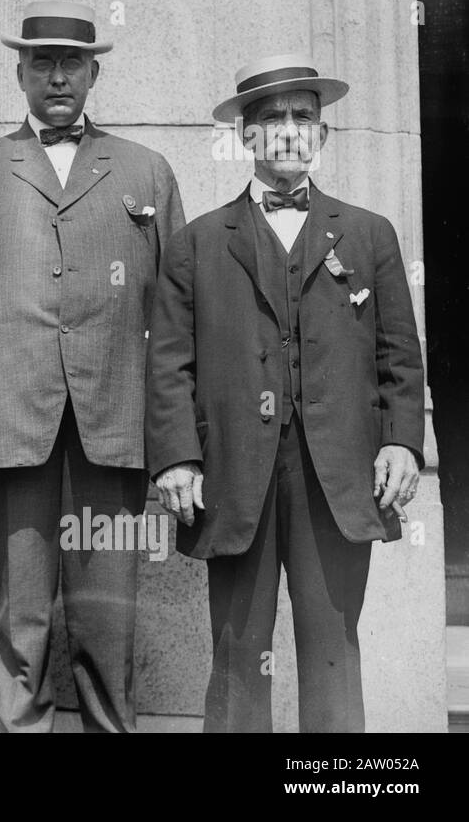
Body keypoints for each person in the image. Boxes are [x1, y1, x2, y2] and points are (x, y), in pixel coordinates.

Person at [146, 53, 426, 732]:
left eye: (305, 117)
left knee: (334, 648)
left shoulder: (368, 233)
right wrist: (177, 457)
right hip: (237, 472)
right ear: (246, 136)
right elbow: (169, 364)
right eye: (273, 119)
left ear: (323, 134)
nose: (291, 131)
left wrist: (401, 443)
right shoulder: (198, 243)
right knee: (239, 652)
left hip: (335, 473)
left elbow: (400, 357)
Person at [0, 1, 185, 732]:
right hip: (10, 415)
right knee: (18, 614)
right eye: (42, 62)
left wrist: (176, 437)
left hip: (114, 421)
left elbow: (176, 312)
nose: (57, 76)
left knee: (107, 616)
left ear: (94, 71)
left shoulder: (144, 171)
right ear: (20, 71)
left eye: (72, 62)